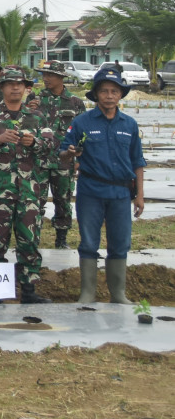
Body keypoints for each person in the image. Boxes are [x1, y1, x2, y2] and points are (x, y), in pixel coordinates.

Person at [61, 65, 146, 304]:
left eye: (114, 91)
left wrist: (139, 195)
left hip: (120, 192)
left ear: (121, 95)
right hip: (91, 191)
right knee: (89, 242)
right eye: (104, 91)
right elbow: (63, 152)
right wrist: (69, 153)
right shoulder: (81, 122)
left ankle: (118, 294)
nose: (109, 95)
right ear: (96, 94)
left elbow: (137, 161)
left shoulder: (129, 124)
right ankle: (87, 293)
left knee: (120, 243)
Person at [0, 66, 55, 304]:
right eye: (11, 84)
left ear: (26, 88)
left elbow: (51, 144)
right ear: (2, 88)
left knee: (29, 240)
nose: (16, 88)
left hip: (29, 190)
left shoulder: (37, 117)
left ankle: (28, 291)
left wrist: (35, 142)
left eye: (20, 84)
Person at [29, 60, 85, 249]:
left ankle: (61, 239)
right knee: (36, 201)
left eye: (50, 75)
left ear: (61, 77)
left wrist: (78, 160)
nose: (46, 78)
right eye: (44, 75)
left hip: (64, 161)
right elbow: (26, 126)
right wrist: (29, 109)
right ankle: (33, 237)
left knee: (63, 200)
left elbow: (81, 134)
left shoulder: (75, 102)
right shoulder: (34, 99)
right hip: (40, 160)